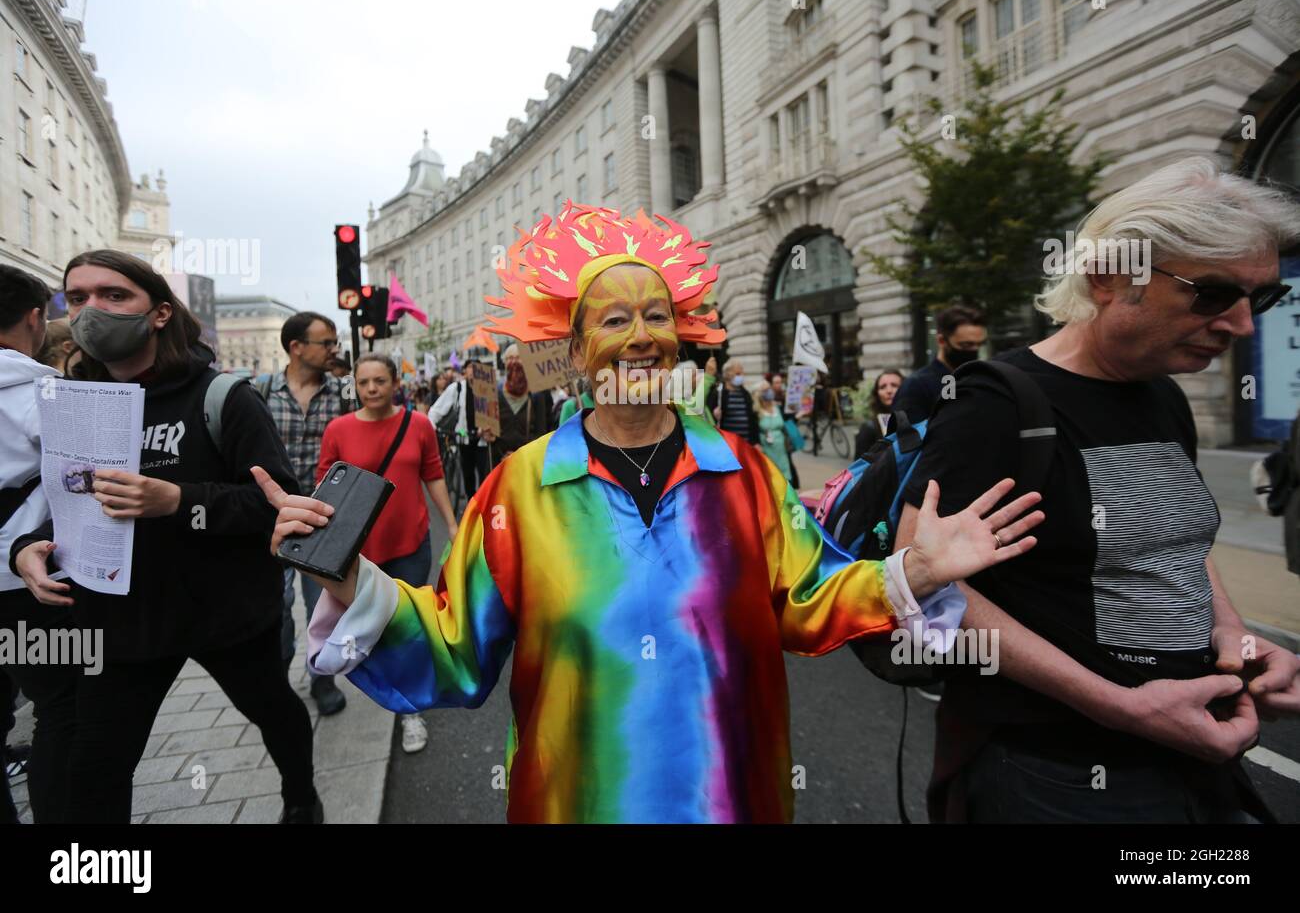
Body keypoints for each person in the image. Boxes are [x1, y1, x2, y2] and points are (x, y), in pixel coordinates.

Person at [254, 202, 1043, 823]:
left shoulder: (745, 475)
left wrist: (915, 571)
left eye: (657, 316)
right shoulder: (519, 490)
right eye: (615, 319)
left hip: (737, 801)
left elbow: (810, 599)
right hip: (576, 803)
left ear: (682, 338)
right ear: (578, 345)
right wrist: (350, 579)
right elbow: (454, 644)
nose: (641, 338)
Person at [894, 158, 1300, 823]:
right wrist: (1122, 707)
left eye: (1262, 299)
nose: (1242, 326)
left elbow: (1174, 541)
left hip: (1193, 753)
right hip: (1052, 772)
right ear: (1112, 278)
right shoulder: (996, 403)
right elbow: (924, 583)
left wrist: (1236, 636)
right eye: (1212, 294)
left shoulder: (1164, 396)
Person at [10, 249, 320, 823]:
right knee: (96, 773)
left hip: (225, 614)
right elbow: (71, 502)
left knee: (274, 710)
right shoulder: (75, 399)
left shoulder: (224, 396)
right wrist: (28, 548)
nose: (91, 310)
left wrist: (178, 500)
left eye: (113, 295)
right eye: (76, 298)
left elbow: (273, 503)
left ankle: (300, 797)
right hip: (123, 626)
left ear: (157, 313)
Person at [318, 354, 458, 755]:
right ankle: (378, 684)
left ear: (396, 382)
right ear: (356, 386)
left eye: (380, 380)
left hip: (411, 543)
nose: (372, 389)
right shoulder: (338, 429)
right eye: (364, 383)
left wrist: (451, 522)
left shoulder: (418, 425)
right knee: (367, 625)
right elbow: (327, 485)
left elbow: (433, 473)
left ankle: (410, 711)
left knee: (407, 627)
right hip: (359, 552)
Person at [0, 265, 78, 823]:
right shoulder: (46, 393)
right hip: (26, 584)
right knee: (59, 710)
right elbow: (85, 487)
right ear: (35, 318)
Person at [262, 311, 352, 717]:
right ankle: (277, 680)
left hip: (323, 518)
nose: (334, 349)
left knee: (323, 605)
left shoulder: (342, 395)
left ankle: (322, 678)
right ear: (296, 347)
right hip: (273, 520)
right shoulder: (261, 392)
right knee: (275, 608)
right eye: (326, 342)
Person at [893, 306, 986, 424]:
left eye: (979, 344)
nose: (974, 350)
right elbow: (906, 437)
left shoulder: (979, 379)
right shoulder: (917, 385)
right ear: (942, 341)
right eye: (966, 345)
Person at [430, 359, 491, 496]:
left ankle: (483, 504)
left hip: (483, 439)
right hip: (464, 436)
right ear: (465, 371)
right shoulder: (457, 388)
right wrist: (432, 426)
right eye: (470, 367)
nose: (474, 370)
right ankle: (471, 504)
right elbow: (436, 410)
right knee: (468, 474)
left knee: (485, 475)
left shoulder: (488, 388)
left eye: (477, 368)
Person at [491, 344, 551, 458]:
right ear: (504, 363)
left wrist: (519, 456)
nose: (514, 362)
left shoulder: (537, 394)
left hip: (527, 461)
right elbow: (491, 431)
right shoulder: (495, 393)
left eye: (518, 357)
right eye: (509, 358)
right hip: (500, 461)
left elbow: (541, 434)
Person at [854, 368, 906, 457]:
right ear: (877, 393)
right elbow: (860, 466)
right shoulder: (869, 427)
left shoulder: (919, 421)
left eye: (894, 385)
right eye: (883, 387)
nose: (889, 391)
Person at [709, 358, 758, 443]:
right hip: (729, 444)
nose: (741, 376)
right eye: (738, 373)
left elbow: (752, 419)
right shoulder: (719, 393)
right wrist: (714, 414)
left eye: (742, 373)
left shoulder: (745, 393)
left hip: (746, 443)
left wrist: (756, 442)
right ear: (727, 374)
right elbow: (709, 414)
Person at [754, 380, 793, 483]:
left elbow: (788, 422)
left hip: (781, 448)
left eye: (769, 389)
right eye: (765, 390)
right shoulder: (756, 411)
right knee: (770, 478)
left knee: (784, 477)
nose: (769, 392)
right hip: (766, 449)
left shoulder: (777, 407)